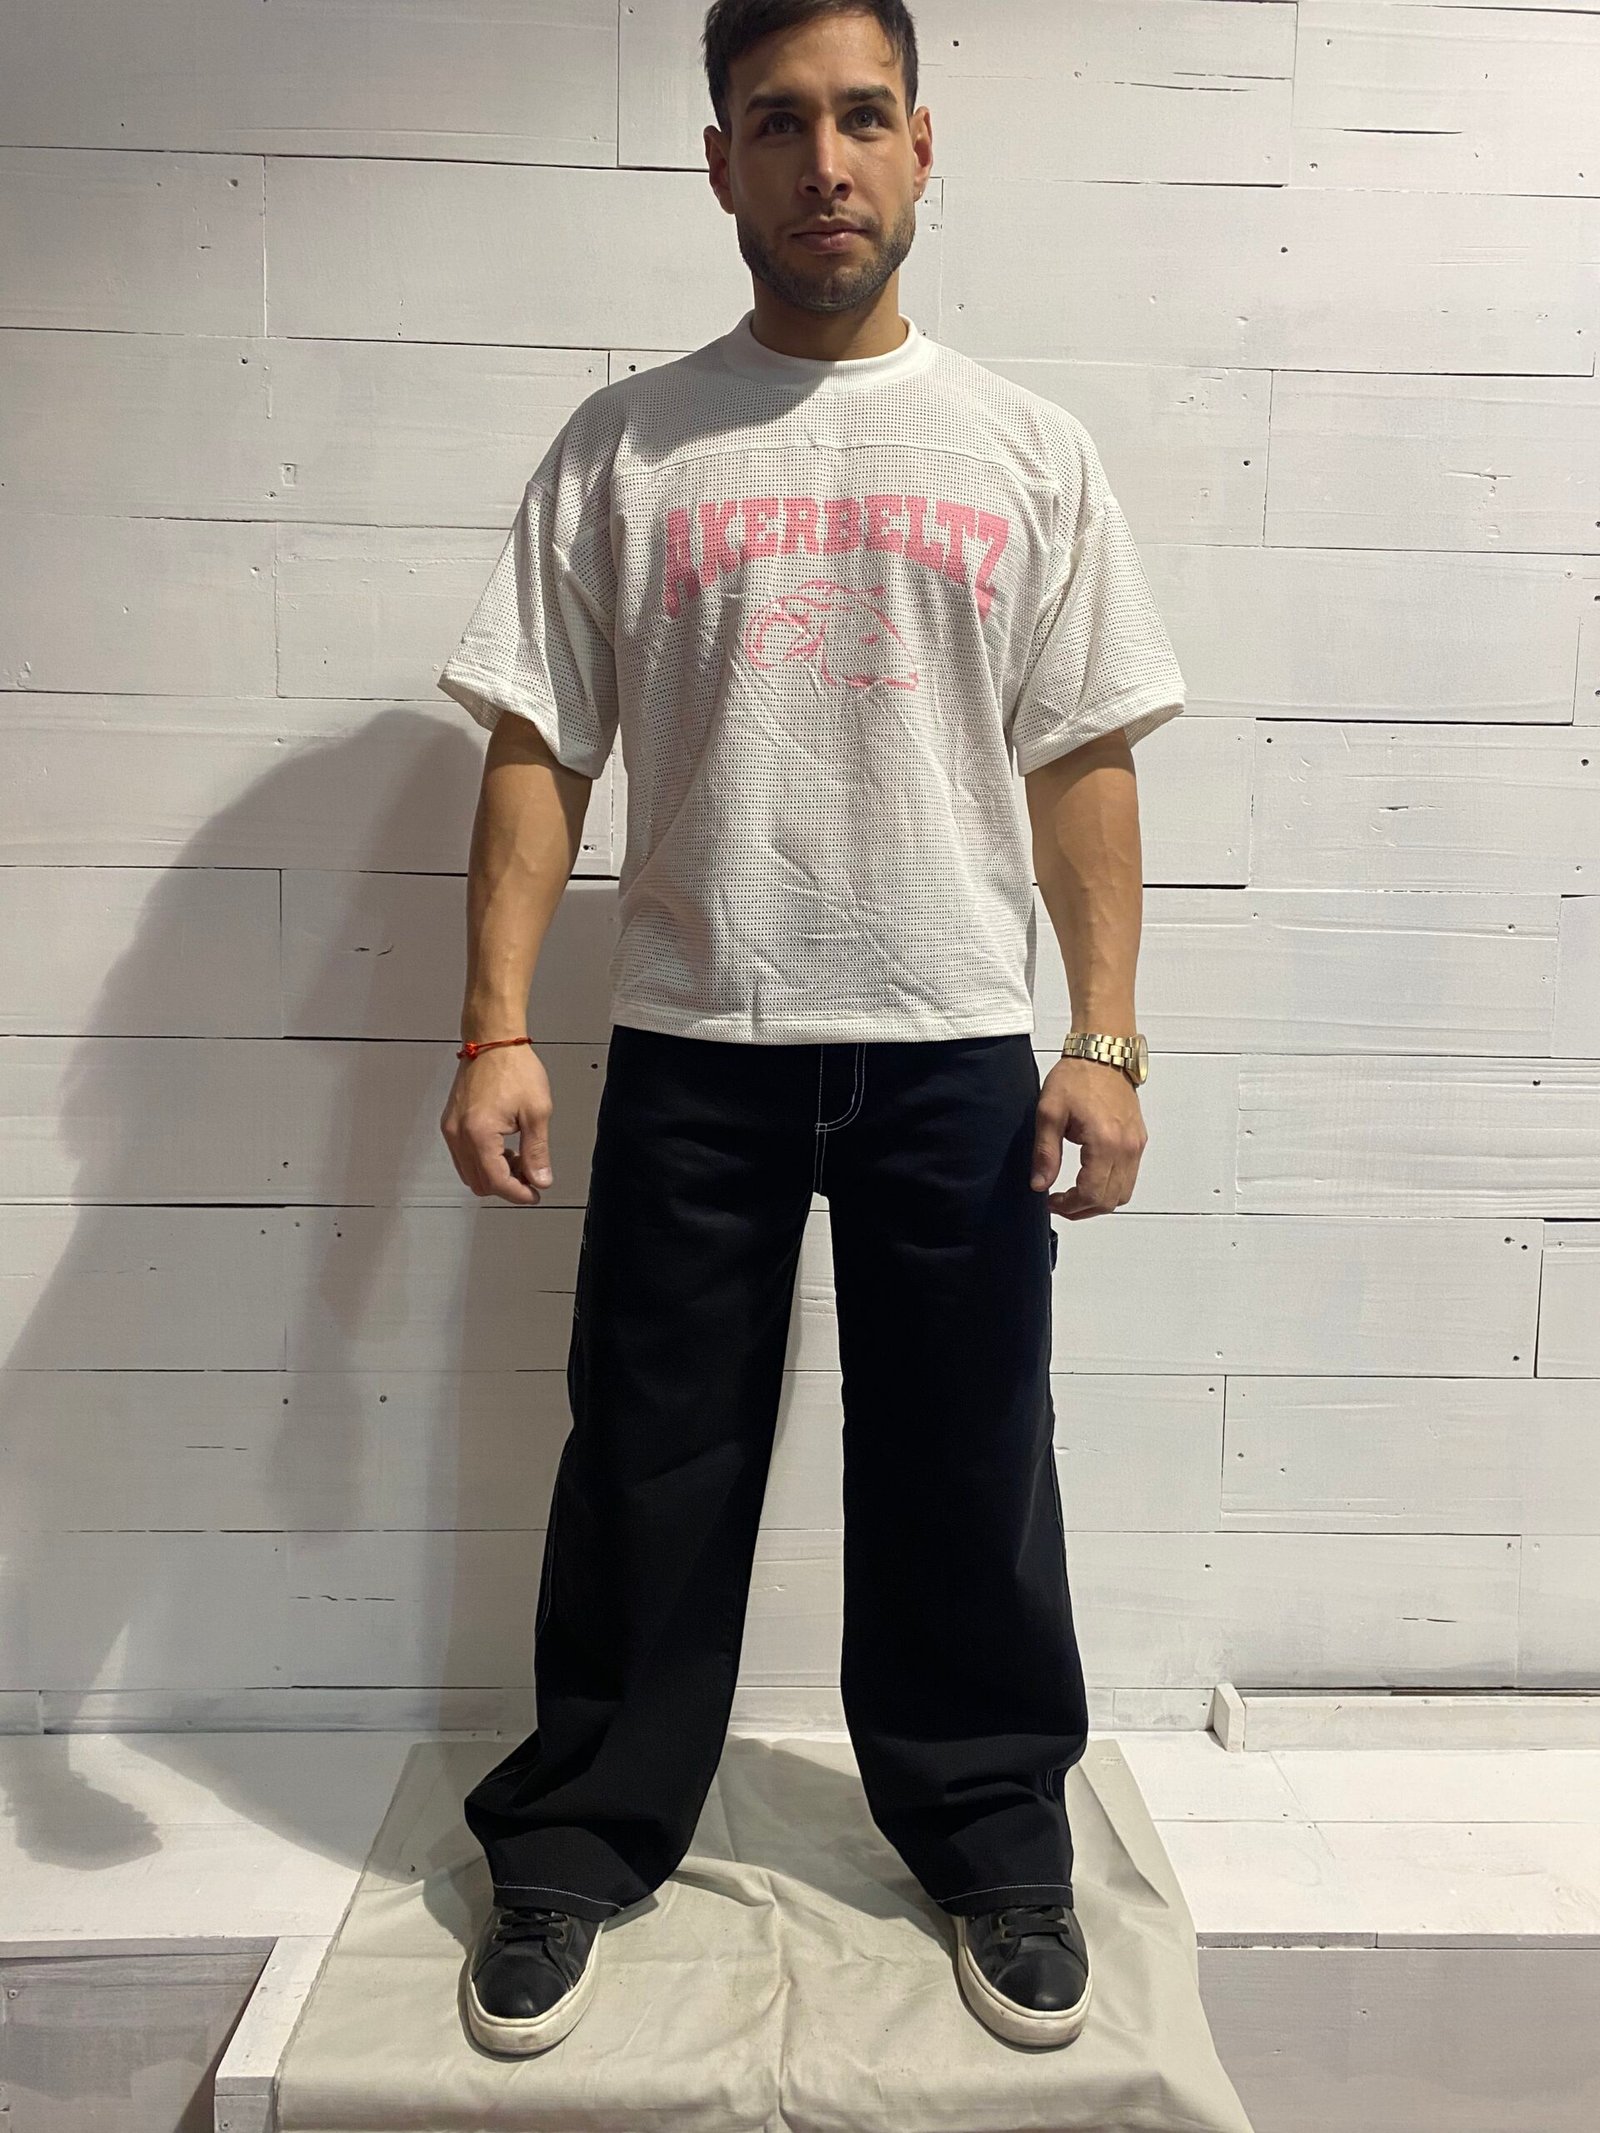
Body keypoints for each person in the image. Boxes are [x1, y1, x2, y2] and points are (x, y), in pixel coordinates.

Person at [437, 0, 1186, 2062]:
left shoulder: (1025, 450)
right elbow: (537, 741)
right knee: (647, 1460)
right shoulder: (625, 447)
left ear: (924, 146)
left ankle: (992, 1834)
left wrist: (1106, 1039)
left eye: (862, 117)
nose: (824, 162)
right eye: (778, 122)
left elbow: (1081, 754)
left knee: (968, 1457)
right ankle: (580, 1837)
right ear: (719, 162)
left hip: (951, 1036)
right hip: (700, 1031)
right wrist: (492, 1025)